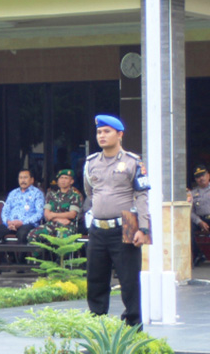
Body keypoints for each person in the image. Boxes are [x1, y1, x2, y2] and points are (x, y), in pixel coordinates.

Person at [84, 114, 150, 328]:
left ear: (119, 134)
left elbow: (142, 195)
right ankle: (97, 323)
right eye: (99, 132)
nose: (101, 136)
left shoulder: (133, 161)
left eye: (106, 131)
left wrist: (144, 228)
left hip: (127, 224)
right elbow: (90, 192)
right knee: (95, 280)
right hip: (98, 227)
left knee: (129, 280)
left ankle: (133, 325)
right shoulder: (91, 162)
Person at [0, 169, 44, 247]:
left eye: (25, 177)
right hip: (10, 225)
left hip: (27, 224)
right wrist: (8, 222)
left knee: (22, 234)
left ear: (32, 180)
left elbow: (40, 213)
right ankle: (6, 256)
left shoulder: (37, 193)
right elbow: (5, 210)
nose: (23, 180)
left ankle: (21, 259)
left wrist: (22, 222)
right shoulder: (13, 193)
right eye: (20, 178)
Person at [27, 169, 83, 243]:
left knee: (62, 238)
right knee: (32, 235)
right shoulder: (51, 195)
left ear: (71, 181)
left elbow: (72, 214)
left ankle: (61, 255)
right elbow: (47, 215)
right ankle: (41, 254)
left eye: (66, 178)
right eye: (61, 178)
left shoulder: (75, 196)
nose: (63, 180)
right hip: (51, 225)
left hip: (67, 226)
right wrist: (58, 219)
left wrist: (53, 215)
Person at [190, 164, 210, 267]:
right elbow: (190, 212)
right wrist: (199, 222)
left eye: (202, 175)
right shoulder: (192, 194)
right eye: (198, 177)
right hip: (200, 219)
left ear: (208, 175)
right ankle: (198, 255)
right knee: (187, 228)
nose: (201, 178)